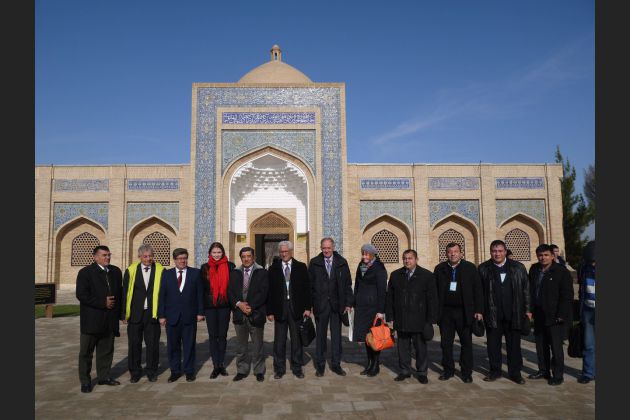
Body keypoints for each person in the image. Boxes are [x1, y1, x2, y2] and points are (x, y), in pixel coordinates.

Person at [478, 240, 531, 384]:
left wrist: (528, 310)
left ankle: (515, 373)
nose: (497, 254)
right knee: (493, 346)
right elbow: (479, 292)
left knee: (514, 346)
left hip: (514, 313)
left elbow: (526, 290)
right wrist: (479, 311)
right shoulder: (484, 268)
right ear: (490, 252)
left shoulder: (518, 267)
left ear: (505, 252)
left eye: (500, 251)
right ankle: (495, 371)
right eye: (494, 251)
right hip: (493, 313)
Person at [433, 242, 483, 383]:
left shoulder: (470, 268)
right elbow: (434, 292)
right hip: (446, 312)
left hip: (464, 312)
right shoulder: (440, 269)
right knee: (446, 343)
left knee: (466, 343)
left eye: (455, 251)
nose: (453, 254)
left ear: (461, 253)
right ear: (446, 254)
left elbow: (478, 290)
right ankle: (448, 370)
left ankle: (466, 372)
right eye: (450, 252)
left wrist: (479, 310)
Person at [386, 249, 438, 384]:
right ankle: (404, 371)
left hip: (419, 319)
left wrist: (430, 319)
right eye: (405, 258)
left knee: (420, 348)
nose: (407, 261)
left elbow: (432, 299)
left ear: (416, 259)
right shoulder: (396, 275)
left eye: (410, 258)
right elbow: (390, 297)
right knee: (403, 347)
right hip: (401, 318)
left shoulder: (426, 275)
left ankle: (422, 372)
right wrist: (390, 316)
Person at [75, 245, 123, 393]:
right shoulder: (86, 273)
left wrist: (121, 315)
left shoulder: (115, 271)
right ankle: (85, 381)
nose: (107, 257)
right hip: (92, 320)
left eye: (109, 255)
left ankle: (104, 376)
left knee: (106, 351)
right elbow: (81, 295)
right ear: (95, 257)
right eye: (104, 255)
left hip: (109, 320)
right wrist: (103, 302)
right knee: (86, 352)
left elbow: (120, 294)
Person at [527, 244, 574, 385]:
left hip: (555, 316)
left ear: (552, 256)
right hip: (539, 313)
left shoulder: (561, 271)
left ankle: (558, 375)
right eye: (540, 255)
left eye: (546, 255)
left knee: (555, 346)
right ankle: (543, 370)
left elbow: (567, 295)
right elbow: (530, 291)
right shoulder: (534, 269)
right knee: (541, 345)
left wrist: (561, 314)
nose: (543, 258)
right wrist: (529, 310)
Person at [309, 237, 354, 377]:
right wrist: (309, 305)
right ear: (321, 248)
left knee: (336, 337)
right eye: (324, 248)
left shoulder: (342, 263)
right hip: (320, 305)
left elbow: (347, 285)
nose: (326, 250)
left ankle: (336, 364)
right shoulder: (315, 263)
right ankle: (320, 365)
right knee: (320, 337)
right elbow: (309, 286)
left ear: (333, 247)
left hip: (337, 305)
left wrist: (348, 303)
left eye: (329, 248)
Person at [266, 241, 312, 379]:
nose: (284, 254)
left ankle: (297, 367)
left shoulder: (301, 267)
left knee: (296, 340)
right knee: (279, 341)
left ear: (291, 252)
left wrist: (307, 308)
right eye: (281, 252)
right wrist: (269, 311)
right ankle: (279, 369)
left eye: (286, 251)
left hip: (296, 308)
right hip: (280, 309)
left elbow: (307, 289)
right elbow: (269, 292)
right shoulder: (273, 268)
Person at [158, 248, 204, 383]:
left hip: (189, 316)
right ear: (175, 260)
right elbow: (162, 296)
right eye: (179, 258)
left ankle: (189, 371)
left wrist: (200, 312)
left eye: (184, 258)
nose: (182, 261)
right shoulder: (167, 274)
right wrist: (161, 315)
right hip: (172, 317)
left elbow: (199, 294)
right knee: (173, 346)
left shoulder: (195, 273)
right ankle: (175, 371)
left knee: (189, 345)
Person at [121, 244, 164, 383]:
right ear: (139, 256)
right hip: (135, 314)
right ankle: (135, 372)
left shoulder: (160, 270)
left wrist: (163, 314)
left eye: (150, 256)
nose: (148, 259)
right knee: (134, 344)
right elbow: (125, 293)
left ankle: (151, 371)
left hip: (152, 314)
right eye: (145, 256)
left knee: (152, 344)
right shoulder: (131, 270)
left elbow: (164, 294)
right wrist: (124, 314)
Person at [228, 247, 269, 382]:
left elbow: (264, 292)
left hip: (255, 313)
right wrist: (239, 304)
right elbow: (230, 292)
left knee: (257, 345)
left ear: (253, 257)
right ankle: (242, 370)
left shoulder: (261, 272)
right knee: (241, 346)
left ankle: (259, 370)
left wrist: (251, 306)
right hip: (239, 314)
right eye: (243, 256)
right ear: (241, 258)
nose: (246, 259)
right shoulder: (235, 273)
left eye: (249, 256)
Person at [200, 242, 235, 379]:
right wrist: (201, 310)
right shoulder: (205, 267)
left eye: (219, 252)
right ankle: (216, 365)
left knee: (222, 336)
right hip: (210, 307)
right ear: (210, 253)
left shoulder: (230, 266)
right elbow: (202, 289)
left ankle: (221, 363)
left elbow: (232, 287)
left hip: (224, 306)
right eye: (214, 252)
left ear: (223, 253)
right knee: (213, 336)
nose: (216, 255)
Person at [352, 244, 387, 377]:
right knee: (366, 337)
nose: (364, 256)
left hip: (373, 308)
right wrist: (354, 301)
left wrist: (380, 310)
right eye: (363, 253)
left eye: (366, 254)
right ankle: (369, 363)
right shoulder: (361, 265)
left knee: (375, 337)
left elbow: (382, 290)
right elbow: (357, 284)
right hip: (362, 307)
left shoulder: (379, 267)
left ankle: (375, 365)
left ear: (373, 255)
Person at [578, 240, 595, 384]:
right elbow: (582, 289)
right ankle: (588, 373)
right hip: (588, 309)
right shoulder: (584, 268)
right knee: (588, 344)